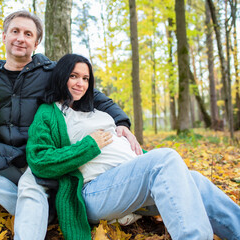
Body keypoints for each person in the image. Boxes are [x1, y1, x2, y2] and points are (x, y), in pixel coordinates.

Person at [0, 11, 142, 240]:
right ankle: (43, 209)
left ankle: (36, 209)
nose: (20, 38)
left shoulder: (51, 72)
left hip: (36, 155)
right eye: (15, 31)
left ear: (36, 42)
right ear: (4, 36)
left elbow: (93, 94)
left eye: (28, 34)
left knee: (31, 185)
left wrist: (122, 122)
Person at [26, 53, 240, 240]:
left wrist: (131, 142)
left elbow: (127, 153)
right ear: (61, 76)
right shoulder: (49, 113)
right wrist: (88, 145)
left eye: (85, 78)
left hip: (130, 184)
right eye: (73, 76)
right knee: (165, 158)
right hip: (93, 193)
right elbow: (39, 160)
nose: (80, 83)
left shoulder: (95, 111)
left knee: (195, 180)